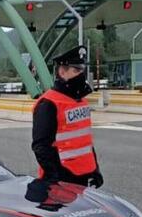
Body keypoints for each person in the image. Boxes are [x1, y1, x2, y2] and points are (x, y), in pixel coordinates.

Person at [31, 45, 104, 188]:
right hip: (61, 179)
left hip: (84, 175)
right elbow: (41, 147)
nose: (81, 75)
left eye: (82, 70)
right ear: (62, 72)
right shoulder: (48, 104)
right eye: (76, 70)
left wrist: (95, 169)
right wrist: (56, 177)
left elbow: (85, 141)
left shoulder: (81, 101)